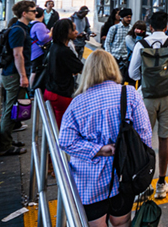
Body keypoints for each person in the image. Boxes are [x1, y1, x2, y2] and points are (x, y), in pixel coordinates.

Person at [59, 51, 152, 227]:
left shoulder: (78, 103)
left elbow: (65, 141)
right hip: (124, 174)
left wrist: (99, 150)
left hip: (89, 180)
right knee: (122, 222)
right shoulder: (129, 94)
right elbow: (145, 134)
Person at [128, 11, 168, 199]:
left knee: (143, 140)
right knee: (165, 139)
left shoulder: (141, 44)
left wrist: (147, 78)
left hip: (146, 97)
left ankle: (142, 185)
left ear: (150, 27)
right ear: (166, 27)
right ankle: (162, 183)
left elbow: (132, 74)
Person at [0, 0, 37, 157]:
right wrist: (23, 76)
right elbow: (17, 54)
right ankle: (4, 146)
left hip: (13, 74)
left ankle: (7, 140)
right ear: (24, 13)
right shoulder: (18, 31)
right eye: (33, 11)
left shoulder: (21, 29)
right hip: (14, 75)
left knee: (13, 108)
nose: (35, 13)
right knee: (9, 110)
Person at [45, 18, 84, 128]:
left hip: (50, 91)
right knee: (61, 127)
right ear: (65, 32)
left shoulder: (53, 47)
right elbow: (81, 68)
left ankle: (49, 144)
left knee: (52, 124)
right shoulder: (65, 51)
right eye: (73, 30)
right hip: (61, 94)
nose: (76, 32)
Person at [105, 8, 133, 83]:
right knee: (113, 78)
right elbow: (107, 42)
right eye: (127, 17)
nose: (129, 19)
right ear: (122, 18)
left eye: (130, 17)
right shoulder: (114, 28)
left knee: (122, 79)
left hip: (125, 58)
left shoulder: (131, 29)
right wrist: (109, 55)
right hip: (115, 57)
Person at [30, 6, 52, 85]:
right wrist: (51, 33)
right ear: (43, 15)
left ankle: (31, 89)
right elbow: (42, 38)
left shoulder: (31, 23)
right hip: (37, 52)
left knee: (33, 71)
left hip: (32, 51)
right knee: (35, 72)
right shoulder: (40, 25)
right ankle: (32, 90)